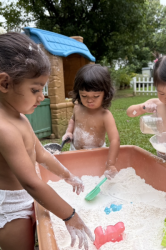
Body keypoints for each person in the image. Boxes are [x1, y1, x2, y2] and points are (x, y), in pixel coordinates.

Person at [0, 32, 93, 250]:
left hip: (25, 196)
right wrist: (70, 215)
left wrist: (67, 176)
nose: (41, 97)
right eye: (35, 89)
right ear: (4, 83)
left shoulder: (19, 117)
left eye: (43, 89)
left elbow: (40, 153)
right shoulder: (4, 129)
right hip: (10, 208)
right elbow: (31, 182)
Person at [62, 64, 120, 180]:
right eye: (84, 95)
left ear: (106, 94)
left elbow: (115, 140)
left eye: (96, 96)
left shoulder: (105, 115)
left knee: (93, 176)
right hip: (75, 151)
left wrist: (110, 164)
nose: (89, 100)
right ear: (78, 93)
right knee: (77, 176)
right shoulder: (78, 107)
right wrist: (69, 132)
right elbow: (73, 120)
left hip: (97, 154)